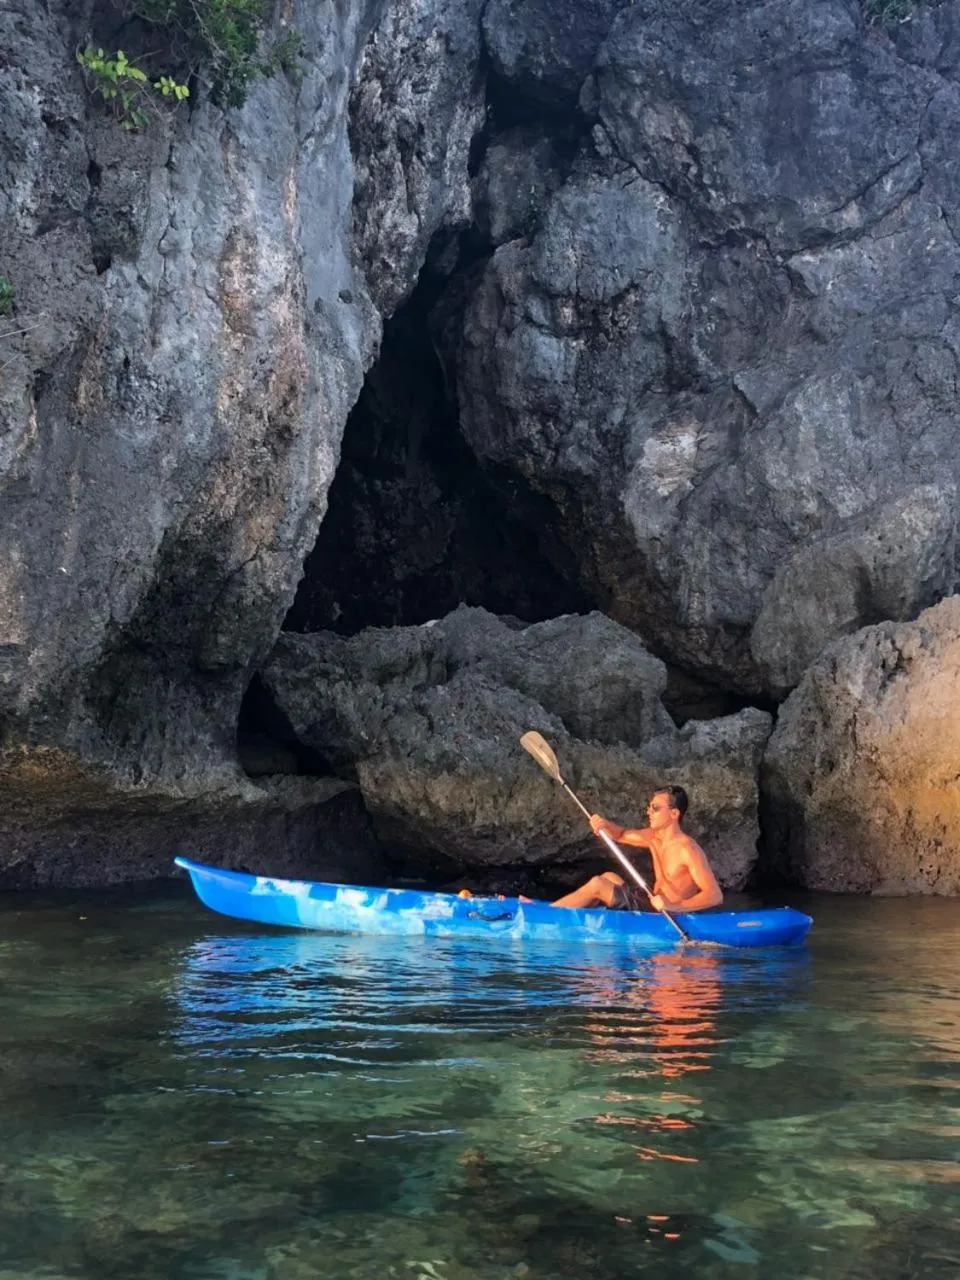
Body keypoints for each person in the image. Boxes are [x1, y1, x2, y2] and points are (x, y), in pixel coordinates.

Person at [550, 785, 723, 913]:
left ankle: (547, 915)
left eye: (655, 808)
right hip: (650, 904)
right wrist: (604, 824)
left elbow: (715, 895)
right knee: (609, 877)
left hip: (665, 914)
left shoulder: (688, 849)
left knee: (598, 884)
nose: (649, 812)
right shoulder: (653, 836)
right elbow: (620, 835)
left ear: (674, 814)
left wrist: (674, 906)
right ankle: (571, 913)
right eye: (649, 807)